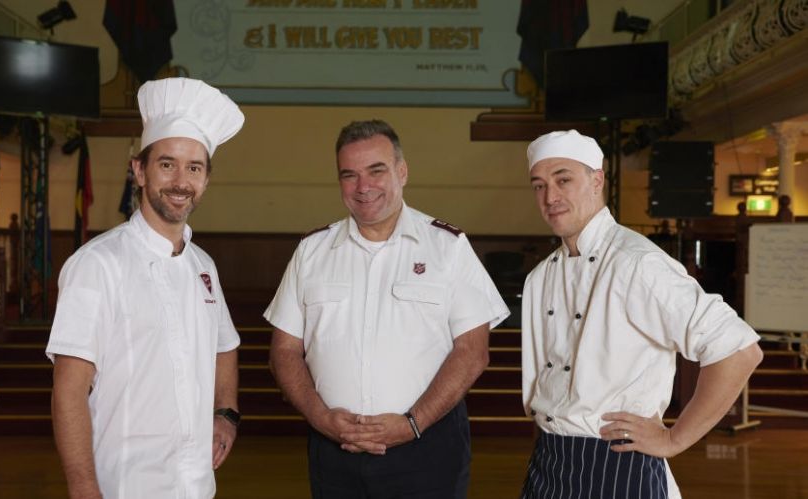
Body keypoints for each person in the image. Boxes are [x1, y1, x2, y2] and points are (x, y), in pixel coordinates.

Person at [265, 119, 509, 498]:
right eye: (349, 175)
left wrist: (413, 423)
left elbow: (473, 352)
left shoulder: (448, 248)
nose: (363, 187)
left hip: (427, 450)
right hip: (333, 453)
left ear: (402, 171)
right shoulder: (311, 252)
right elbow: (284, 350)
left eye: (376, 171)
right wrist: (320, 418)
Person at [520, 130, 763, 498]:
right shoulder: (540, 277)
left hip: (617, 462)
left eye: (563, 179)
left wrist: (673, 439)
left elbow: (739, 350)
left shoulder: (636, 262)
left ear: (597, 180)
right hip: (549, 462)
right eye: (539, 186)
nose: (550, 197)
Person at [47, 78, 245, 498]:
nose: (180, 180)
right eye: (167, 163)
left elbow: (224, 347)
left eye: (194, 167)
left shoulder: (203, 266)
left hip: (196, 485)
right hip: (122, 485)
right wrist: (83, 488)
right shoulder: (96, 264)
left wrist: (225, 413)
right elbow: (68, 390)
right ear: (139, 170)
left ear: (206, 179)